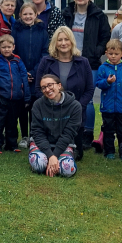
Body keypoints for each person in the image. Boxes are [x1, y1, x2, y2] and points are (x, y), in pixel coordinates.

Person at [63, 0, 111, 149]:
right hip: (69, 59)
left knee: (87, 99)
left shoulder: (99, 15)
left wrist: (96, 52)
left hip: (90, 61)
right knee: (69, 96)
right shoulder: (67, 13)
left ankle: (87, 133)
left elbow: (105, 36)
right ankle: (71, 130)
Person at [34, 26, 94, 161]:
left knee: (77, 156)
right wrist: (50, 105)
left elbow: (89, 90)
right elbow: (38, 89)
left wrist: (76, 107)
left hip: (74, 114)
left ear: (72, 41)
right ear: (55, 43)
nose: (63, 43)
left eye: (66, 39)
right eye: (59, 40)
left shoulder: (83, 62)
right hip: (50, 113)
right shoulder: (46, 62)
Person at [12, 2, 49, 147]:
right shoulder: (16, 30)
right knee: (22, 107)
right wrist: (22, 72)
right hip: (20, 74)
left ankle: (34, 135)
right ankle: (24, 136)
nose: (28, 16)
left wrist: (34, 72)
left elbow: (45, 53)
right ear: (20, 15)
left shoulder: (42, 31)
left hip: (36, 74)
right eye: (25, 14)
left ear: (36, 14)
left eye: (30, 14)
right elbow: (13, 52)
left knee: (34, 106)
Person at [28, 74, 80, 178]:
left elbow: (68, 134)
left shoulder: (75, 106)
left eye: (50, 85)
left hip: (63, 145)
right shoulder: (38, 105)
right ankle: (47, 162)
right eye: (43, 87)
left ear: (59, 85)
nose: (47, 89)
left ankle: (52, 163)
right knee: (39, 165)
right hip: (41, 143)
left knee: (68, 170)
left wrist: (54, 155)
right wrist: (50, 155)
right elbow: (37, 133)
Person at [94, 39, 122, 159]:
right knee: (108, 130)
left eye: (116, 54)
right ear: (106, 53)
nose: (113, 56)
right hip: (107, 106)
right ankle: (109, 151)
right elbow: (98, 83)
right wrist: (107, 82)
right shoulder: (103, 68)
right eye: (110, 54)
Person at [0, 35, 30, 154]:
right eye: (3, 47)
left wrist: (26, 97)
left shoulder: (18, 62)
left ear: (13, 47)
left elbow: (24, 79)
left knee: (12, 122)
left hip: (16, 98)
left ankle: (11, 144)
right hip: (0, 97)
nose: (6, 49)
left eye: (9, 47)